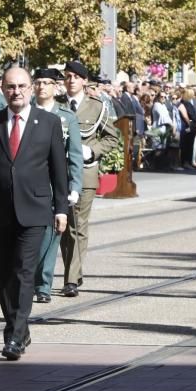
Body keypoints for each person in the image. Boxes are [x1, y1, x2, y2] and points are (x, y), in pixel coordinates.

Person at [0, 66, 68, 360]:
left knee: (24, 272)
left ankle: (14, 335)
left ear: (32, 87)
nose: (17, 92)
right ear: (2, 89)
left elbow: (59, 170)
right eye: (11, 87)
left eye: (22, 86)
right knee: (5, 274)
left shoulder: (48, 123)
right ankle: (19, 328)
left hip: (35, 211)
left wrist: (61, 209)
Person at [57, 60, 120, 297]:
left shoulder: (96, 107)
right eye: (67, 76)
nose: (71, 80)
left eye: (75, 77)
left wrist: (93, 151)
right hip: (58, 173)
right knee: (61, 227)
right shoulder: (58, 105)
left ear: (84, 81)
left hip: (85, 172)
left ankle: (70, 278)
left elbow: (112, 138)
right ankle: (74, 271)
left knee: (77, 226)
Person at [31, 67, 82, 304]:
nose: (42, 87)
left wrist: (75, 186)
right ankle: (29, 278)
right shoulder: (25, 111)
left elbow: (74, 155)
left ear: (55, 87)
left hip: (54, 183)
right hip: (28, 182)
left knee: (52, 234)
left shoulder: (66, 116)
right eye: (38, 82)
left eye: (47, 83)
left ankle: (43, 284)